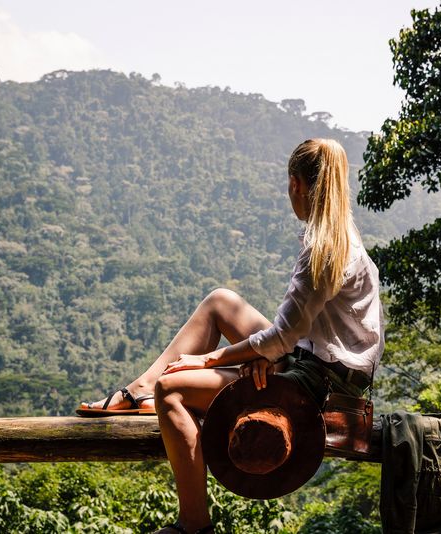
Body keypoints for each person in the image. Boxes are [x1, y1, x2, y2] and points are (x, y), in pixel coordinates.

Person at [78, 138, 384, 534]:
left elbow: (280, 339)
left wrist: (210, 360)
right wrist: (265, 353)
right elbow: (289, 337)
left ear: (296, 185)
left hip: (317, 384)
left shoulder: (323, 251)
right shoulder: (344, 239)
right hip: (318, 362)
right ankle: (138, 390)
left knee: (171, 390)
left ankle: (193, 525)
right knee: (220, 302)